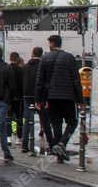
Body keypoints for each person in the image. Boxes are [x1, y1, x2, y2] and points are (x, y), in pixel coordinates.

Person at [35, 34, 85, 163]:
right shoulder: (69, 58)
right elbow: (76, 81)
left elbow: (39, 81)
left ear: (51, 44)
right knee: (72, 122)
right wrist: (80, 101)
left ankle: (59, 155)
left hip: (51, 97)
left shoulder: (45, 58)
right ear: (60, 44)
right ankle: (62, 144)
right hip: (68, 97)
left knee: (56, 124)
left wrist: (38, 100)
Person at [21, 47, 46, 155]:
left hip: (27, 96)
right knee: (44, 119)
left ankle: (25, 145)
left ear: (32, 53)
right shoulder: (42, 66)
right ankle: (45, 144)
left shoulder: (26, 66)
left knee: (27, 120)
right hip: (39, 96)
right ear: (41, 54)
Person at [7, 52, 25, 147]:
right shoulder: (20, 70)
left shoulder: (6, 69)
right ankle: (19, 138)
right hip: (18, 98)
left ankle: (8, 138)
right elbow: (23, 85)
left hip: (8, 98)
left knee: (8, 118)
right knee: (19, 119)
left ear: (10, 58)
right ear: (17, 59)